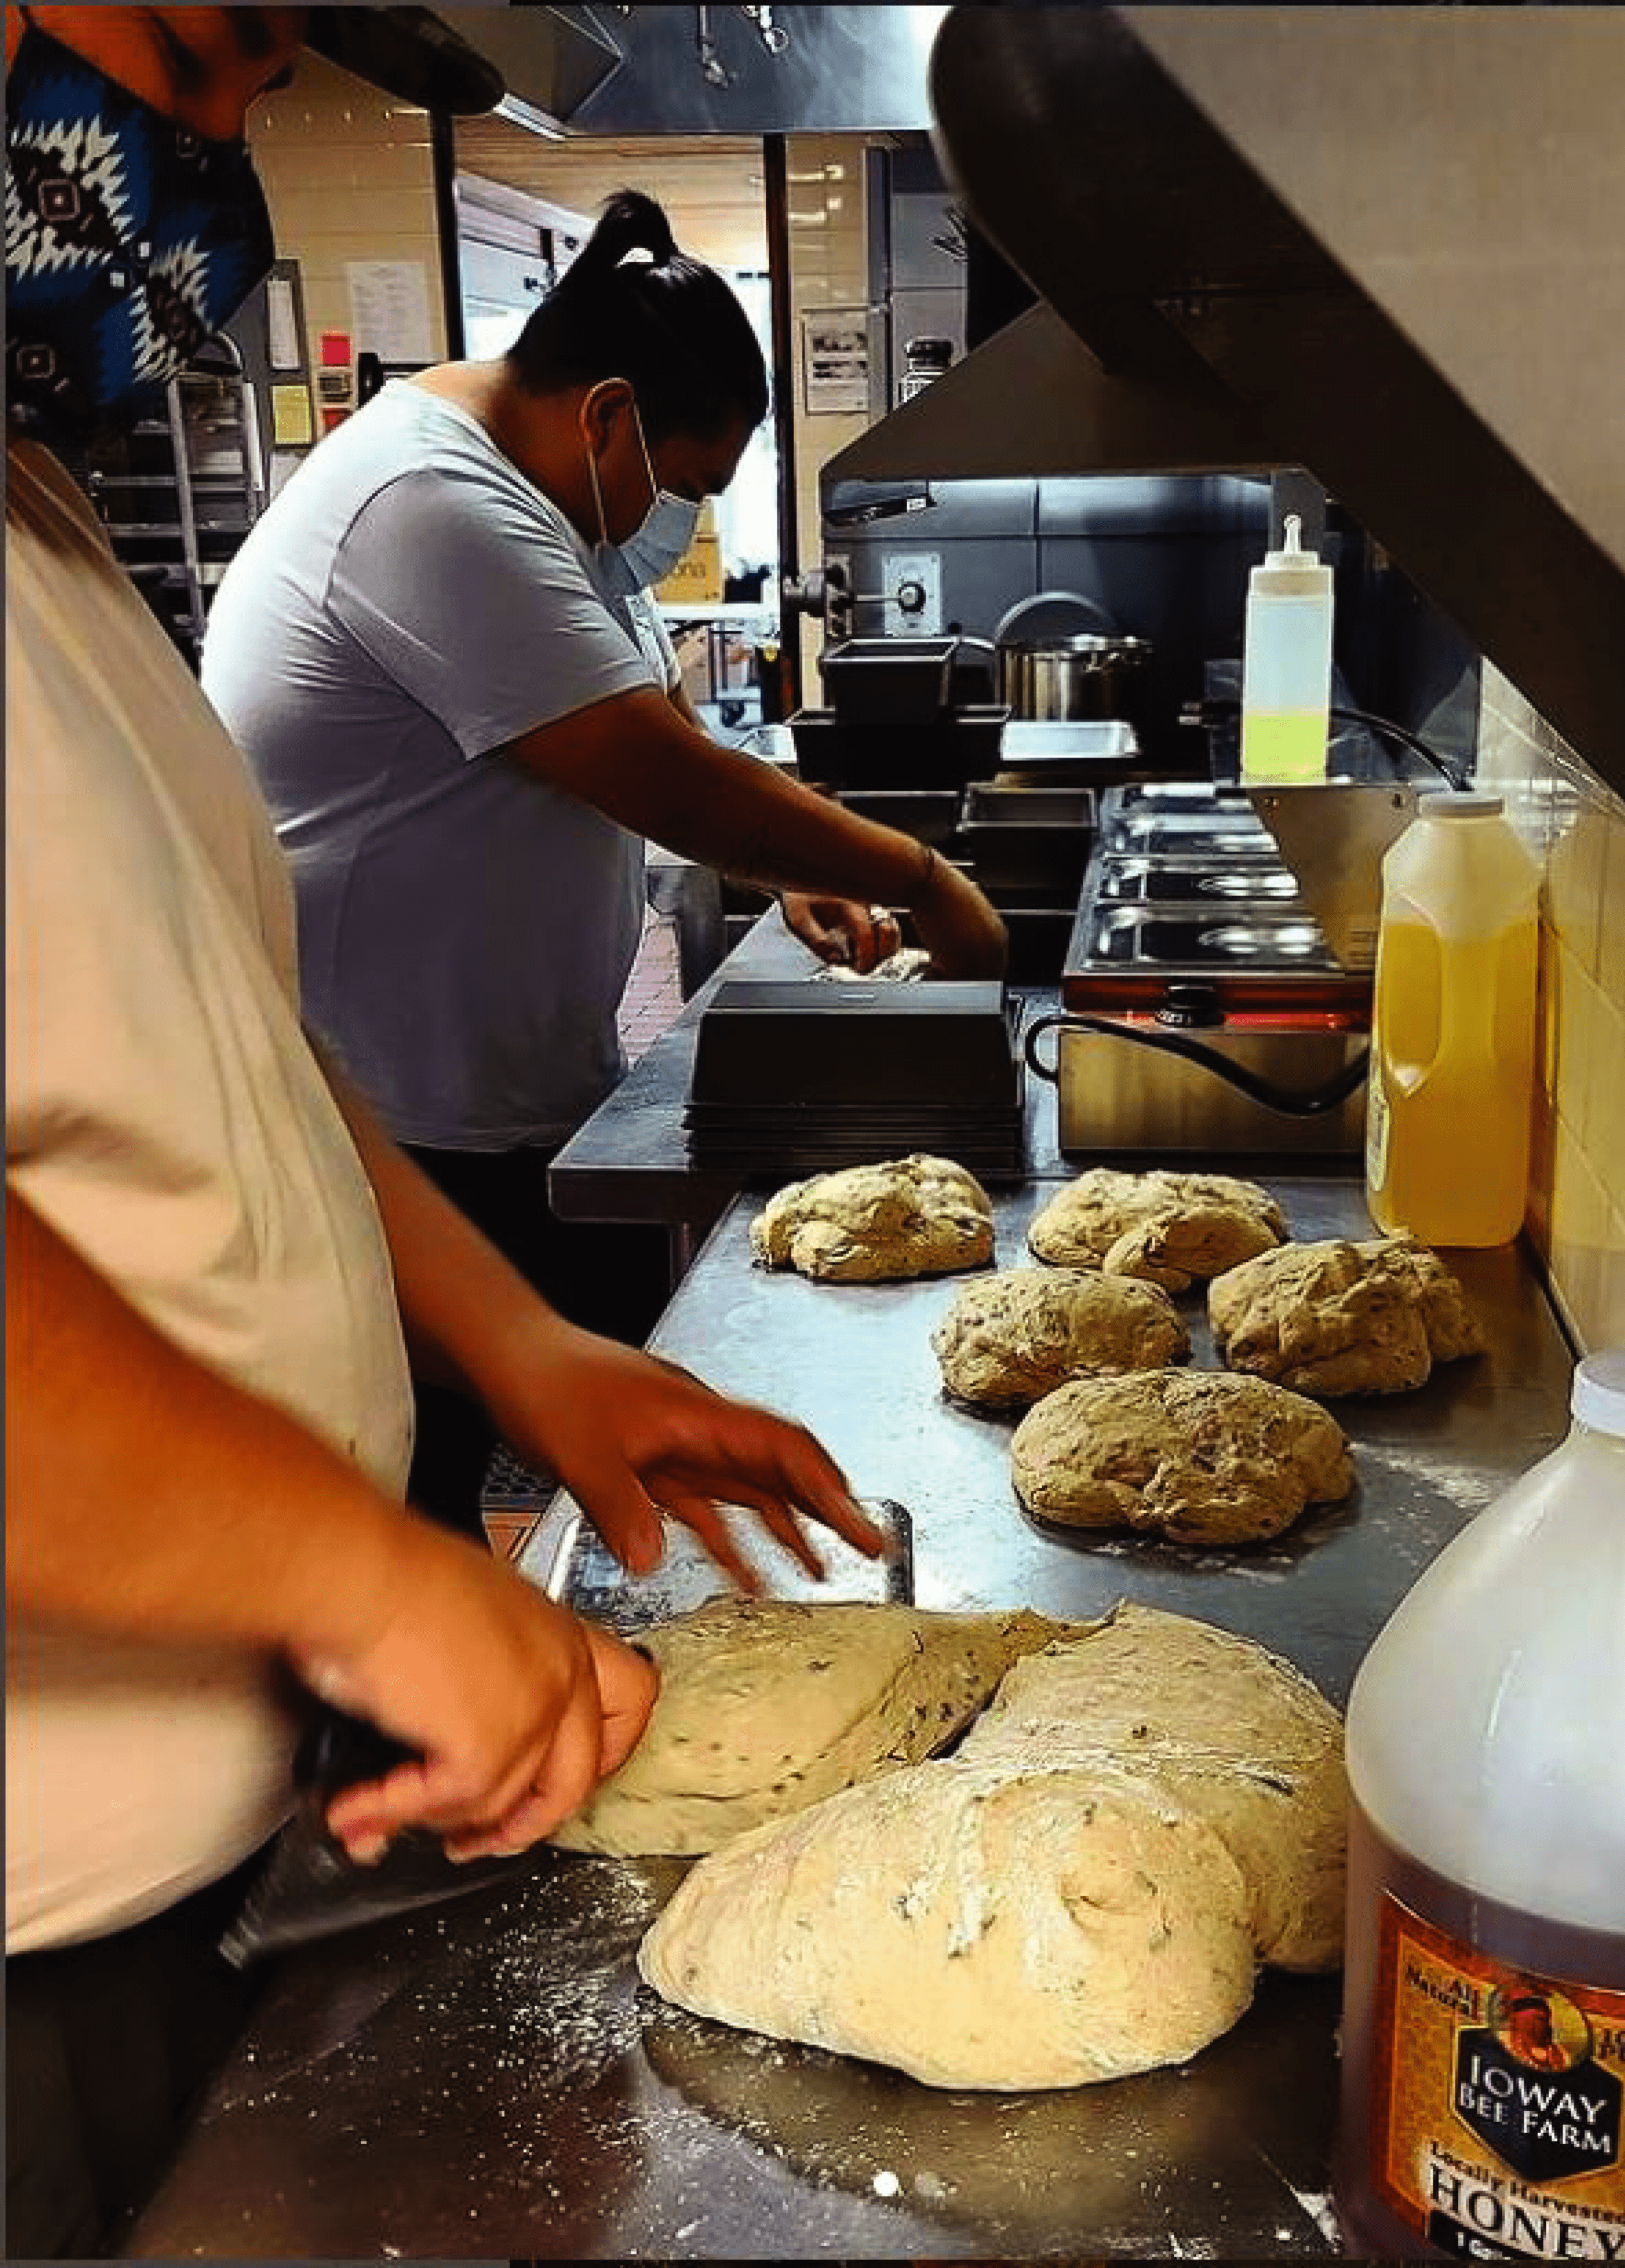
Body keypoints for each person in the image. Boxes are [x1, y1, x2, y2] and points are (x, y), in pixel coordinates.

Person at [3, 10, 883, 2254]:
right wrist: (358, 1566)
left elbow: (225, 1042)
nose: (211, 145)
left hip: (220, 1828)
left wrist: (519, 1344)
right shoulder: (409, 500)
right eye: (190, 51)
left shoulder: (42, 529)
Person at [198, 186, 1009, 1537]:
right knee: (415, 1490)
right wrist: (914, 877)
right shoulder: (429, 505)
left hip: (495, 1094)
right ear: (608, 414)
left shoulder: (536, 497)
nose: (680, 518)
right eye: (686, 482)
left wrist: (776, 864)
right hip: (391, 1120)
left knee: (645, 1429)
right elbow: (651, 769)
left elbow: (647, 709)